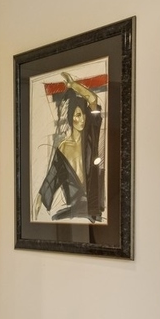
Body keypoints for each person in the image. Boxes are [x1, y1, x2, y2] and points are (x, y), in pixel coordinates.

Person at [36, 71, 105, 221]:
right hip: (73, 211)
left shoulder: (90, 138)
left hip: (93, 210)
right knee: (55, 218)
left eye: (84, 115)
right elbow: (51, 180)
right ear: (70, 118)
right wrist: (37, 205)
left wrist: (73, 85)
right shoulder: (63, 147)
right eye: (78, 115)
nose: (82, 119)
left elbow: (92, 99)